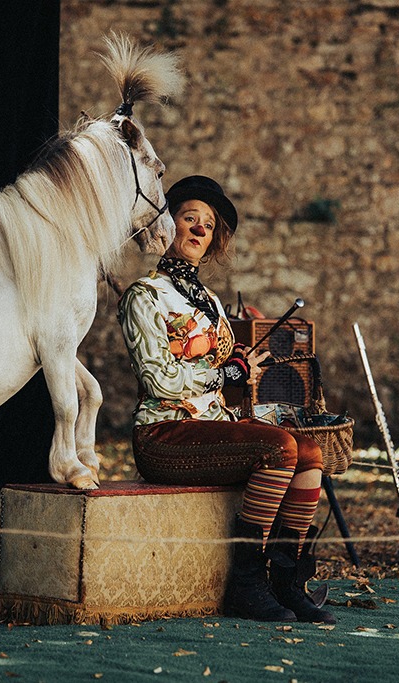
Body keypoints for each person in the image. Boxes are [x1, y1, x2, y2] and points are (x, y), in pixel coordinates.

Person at [117, 175, 336, 624]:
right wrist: (223, 370)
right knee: (279, 448)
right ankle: (246, 585)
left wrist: (240, 368)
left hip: (211, 424)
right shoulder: (143, 296)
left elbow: (220, 378)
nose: (200, 229)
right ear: (167, 225)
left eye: (209, 224)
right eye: (189, 218)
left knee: (310, 452)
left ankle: (286, 582)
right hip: (163, 434)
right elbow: (158, 380)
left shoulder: (213, 303)